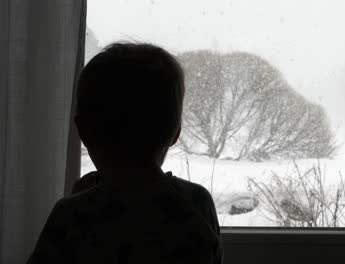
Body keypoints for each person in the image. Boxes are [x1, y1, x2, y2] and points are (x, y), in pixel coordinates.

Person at [27, 43, 223, 264]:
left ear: (84, 131)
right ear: (175, 133)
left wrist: (79, 201)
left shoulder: (72, 215)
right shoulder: (198, 204)